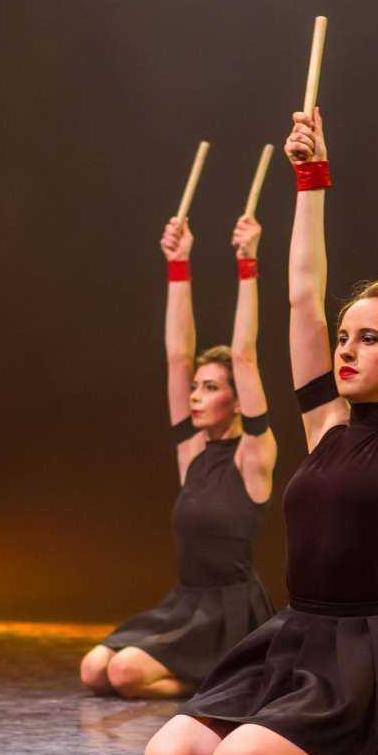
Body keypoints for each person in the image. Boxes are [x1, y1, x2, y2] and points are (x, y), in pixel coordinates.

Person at [143, 101, 378, 755]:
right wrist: (310, 179)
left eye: (370, 339)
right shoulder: (326, 425)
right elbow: (299, 298)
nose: (347, 349)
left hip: (364, 658)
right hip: (296, 638)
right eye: (344, 336)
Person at [79, 210, 278, 698]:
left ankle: (231, 679)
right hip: (184, 604)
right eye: (195, 387)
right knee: (93, 668)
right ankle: (221, 679)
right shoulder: (193, 451)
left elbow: (244, 354)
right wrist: (179, 264)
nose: (194, 395)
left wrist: (247, 263)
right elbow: (175, 355)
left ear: (236, 400)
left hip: (229, 613)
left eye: (210, 388)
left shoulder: (252, 455)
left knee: (126, 674)